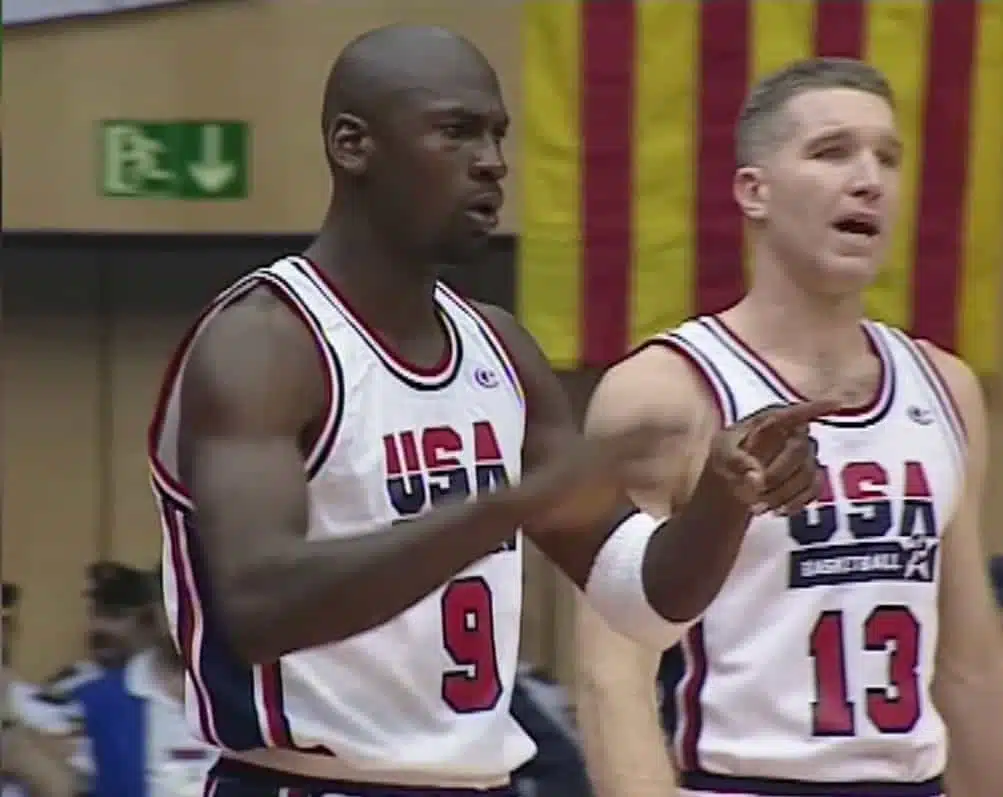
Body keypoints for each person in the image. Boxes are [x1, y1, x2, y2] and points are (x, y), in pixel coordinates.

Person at [147, 25, 827, 795]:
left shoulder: (498, 347)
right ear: (352, 145)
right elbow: (261, 608)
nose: (492, 162)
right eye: (455, 131)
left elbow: (641, 600)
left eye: (497, 134)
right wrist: (497, 507)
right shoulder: (265, 343)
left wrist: (721, 500)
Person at [576, 57, 1003, 797]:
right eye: (832, 151)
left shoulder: (946, 385)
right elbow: (611, 674)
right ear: (754, 191)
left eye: (886, 156)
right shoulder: (664, 391)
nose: (868, 177)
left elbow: (968, 662)